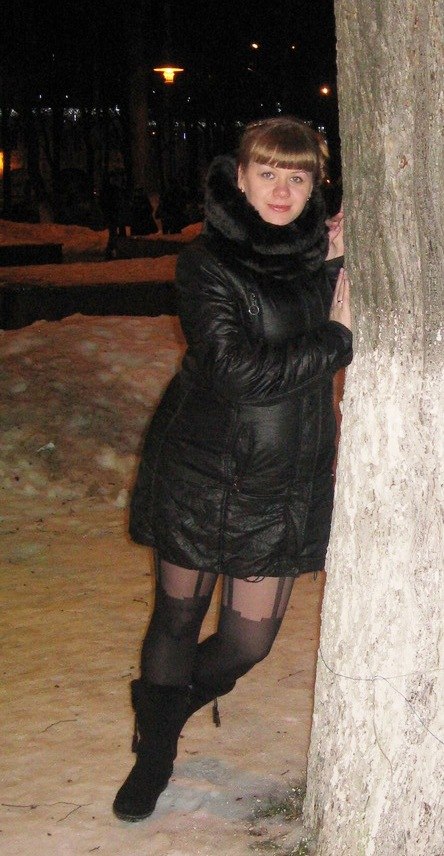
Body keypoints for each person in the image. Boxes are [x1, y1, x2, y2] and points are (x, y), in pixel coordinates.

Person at [113, 116, 353, 822]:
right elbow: (237, 371)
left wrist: (333, 261)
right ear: (240, 177)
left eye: (297, 176)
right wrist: (337, 339)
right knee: (177, 619)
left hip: (280, 484)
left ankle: (167, 706)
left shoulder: (318, 260)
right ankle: (154, 755)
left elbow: (303, 304)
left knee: (249, 641)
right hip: (201, 469)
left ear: (314, 186)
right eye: (268, 173)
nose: (281, 190)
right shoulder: (206, 262)